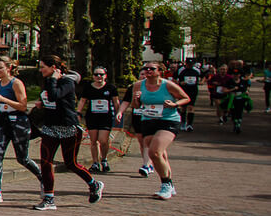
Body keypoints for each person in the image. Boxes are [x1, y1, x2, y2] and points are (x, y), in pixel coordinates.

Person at [31, 55, 103, 210]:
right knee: (45, 162)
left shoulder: (67, 82)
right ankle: (49, 198)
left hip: (68, 128)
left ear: (53, 68)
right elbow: (51, 99)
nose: (40, 69)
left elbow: (55, 95)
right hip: (50, 127)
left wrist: (53, 81)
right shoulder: (49, 81)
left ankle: (94, 184)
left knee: (71, 163)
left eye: (43, 66)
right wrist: (41, 104)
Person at [0, 56, 41, 203]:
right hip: (2, 121)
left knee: (22, 158)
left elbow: (23, 106)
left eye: (0, 67)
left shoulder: (16, 83)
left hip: (18, 123)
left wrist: (2, 100)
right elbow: (4, 104)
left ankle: (43, 179)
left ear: (9, 68)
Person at [128, 60, 189, 198]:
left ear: (159, 71)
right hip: (148, 121)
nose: (148, 71)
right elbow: (136, 106)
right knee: (159, 153)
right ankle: (170, 184)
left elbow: (186, 98)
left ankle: (166, 184)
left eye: (152, 69)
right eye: (146, 68)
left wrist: (174, 104)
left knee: (154, 152)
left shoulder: (168, 85)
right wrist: (135, 98)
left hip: (168, 120)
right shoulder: (138, 85)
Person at [79, 66, 118, 173]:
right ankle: (95, 162)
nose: (99, 76)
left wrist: (118, 114)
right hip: (92, 117)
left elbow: (116, 102)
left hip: (106, 117)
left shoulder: (111, 88)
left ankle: (104, 159)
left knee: (103, 140)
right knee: (93, 140)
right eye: (96, 74)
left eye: (101, 74)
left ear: (105, 76)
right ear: (93, 76)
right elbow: (82, 101)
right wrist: (78, 112)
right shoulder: (88, 87)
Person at [176, 59, 201, 131]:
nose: (190, 65)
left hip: (193, 90)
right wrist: (181, 83)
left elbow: (202, 77)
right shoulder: (182, 71)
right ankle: (183, 122)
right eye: (188, 64)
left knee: (191, 107)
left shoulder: (196, 71)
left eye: (191, 64)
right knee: (183, 107)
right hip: (184, 90)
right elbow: (178, 80)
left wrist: (200, 82)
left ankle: (189, 124)